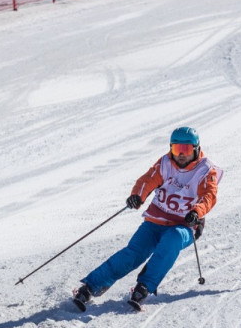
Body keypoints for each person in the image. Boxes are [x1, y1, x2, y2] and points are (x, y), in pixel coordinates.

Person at [73, 126, 221, 311]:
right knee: (134, 252)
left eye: (186, 150)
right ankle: (90, 287)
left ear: (196, 149)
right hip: (156, 220)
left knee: (171, 241)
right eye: (177, 149)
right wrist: (138, 196)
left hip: (185, 224)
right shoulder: (166, 163)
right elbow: (147, 180)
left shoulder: (206, 170)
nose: (181, 155)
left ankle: (144, 286)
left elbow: (209, 195)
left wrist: (197, 212)